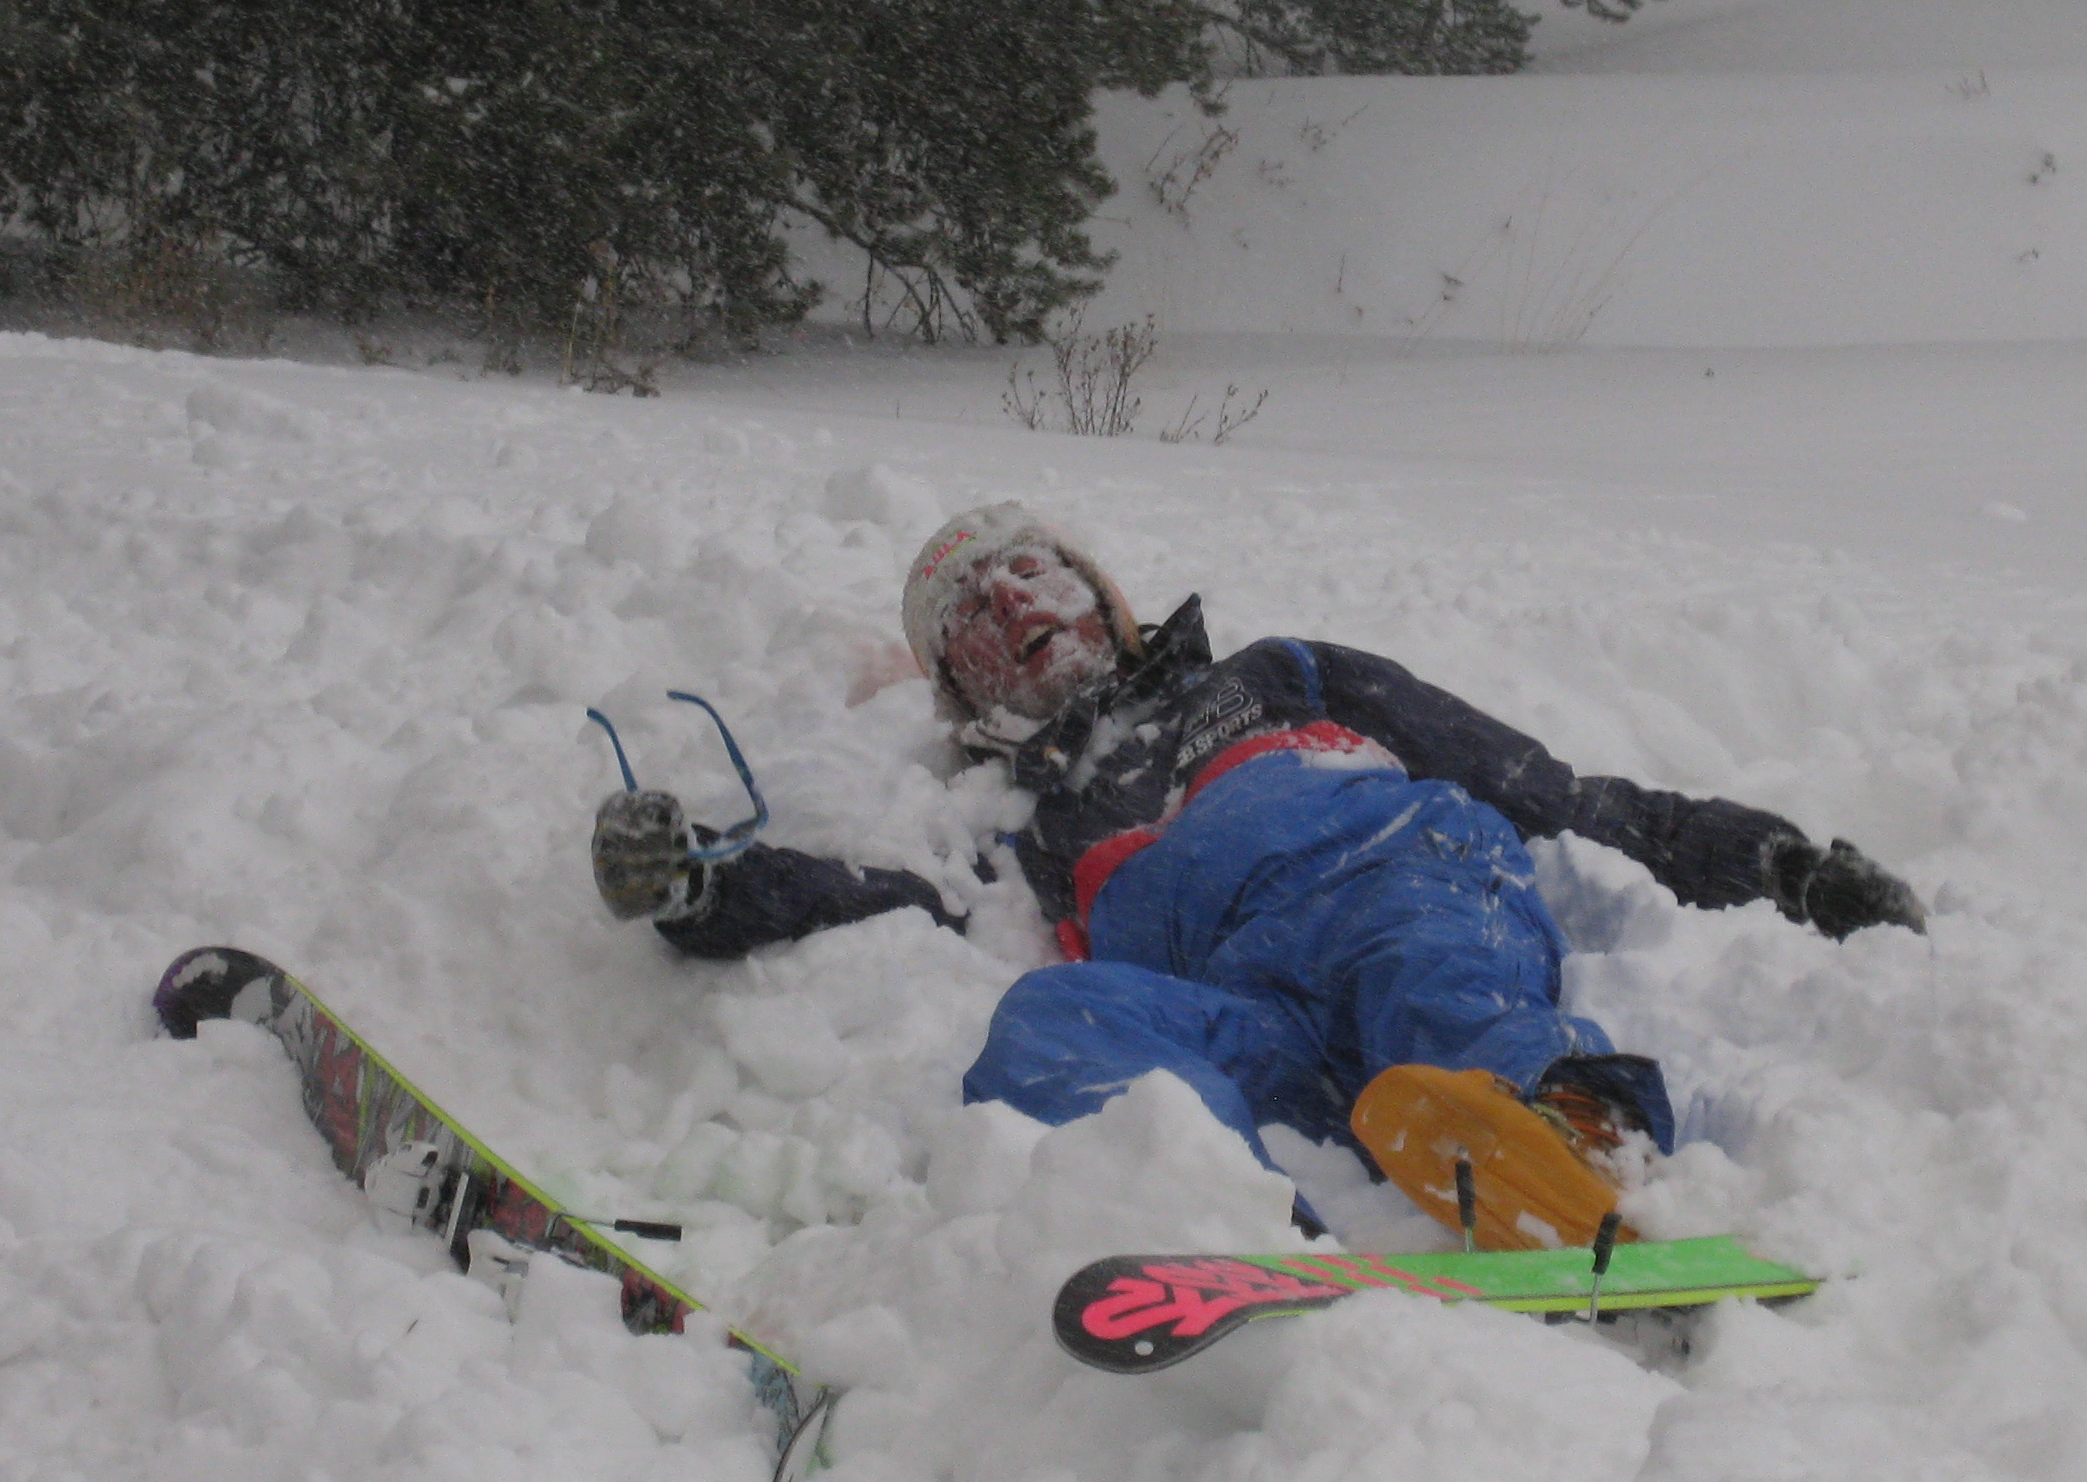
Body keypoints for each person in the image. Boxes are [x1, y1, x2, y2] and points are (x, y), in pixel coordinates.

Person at [590, 501, 1922, 1245]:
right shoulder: (1028, 831)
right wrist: (702, 890)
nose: (1012, 608)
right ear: (959, 687)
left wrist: (1786, 868)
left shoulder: (1277, 673)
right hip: (1257, 1013)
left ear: (1103, 593)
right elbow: (872, 904)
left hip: (1400, 880)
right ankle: (1235, 1245)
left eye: (1029, 572)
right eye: (973, 620)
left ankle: (1570, 1140)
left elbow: (1553, 794)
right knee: (1052, 1021)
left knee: (1423, 972)